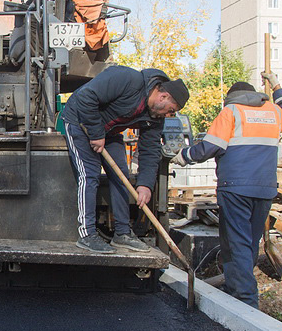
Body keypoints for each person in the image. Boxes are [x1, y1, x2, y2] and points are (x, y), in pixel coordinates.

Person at [171, 72, 282, 308]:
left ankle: (246, 301)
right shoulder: (273, 112)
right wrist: (276, 84)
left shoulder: (232, 112)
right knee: (249, 243)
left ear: (232, 97)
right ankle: (235, 288)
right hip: (264, 189)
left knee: (235, 242)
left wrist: (183, 156)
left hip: (235, 188)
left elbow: (210, 147)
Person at [61, 66, 189, 254]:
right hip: (80, 121)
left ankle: (122, 234)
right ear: (163, 97)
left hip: (109, 131)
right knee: (90, 175)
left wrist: (145, 184)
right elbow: (86, 96)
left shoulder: (155, 118)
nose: (168, 116)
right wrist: (96, 133)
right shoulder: (127, 79)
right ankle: (87, 234)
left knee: (121, 177)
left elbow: (150, 149)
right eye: (170, 110)